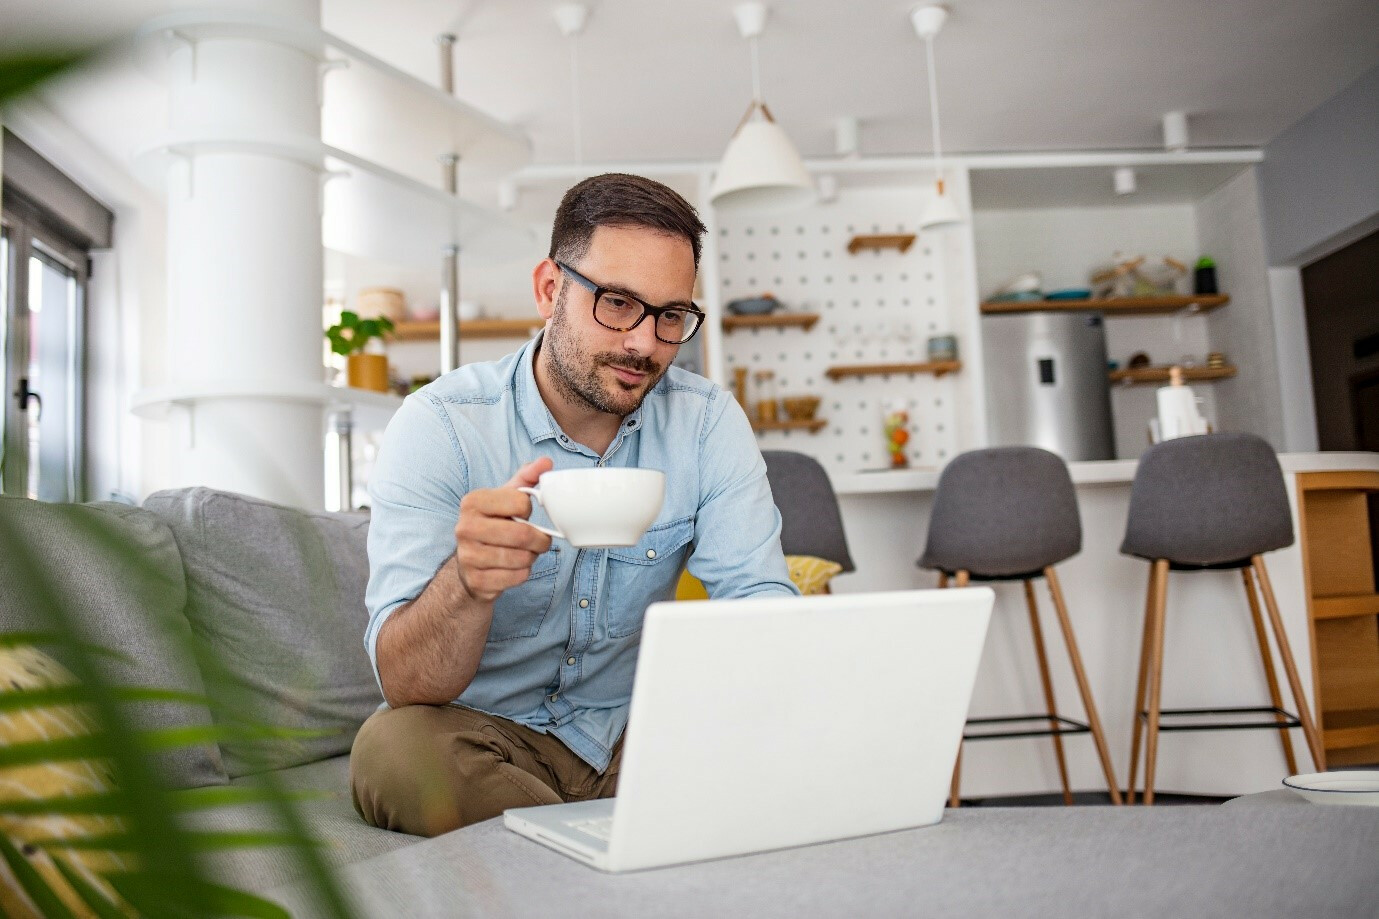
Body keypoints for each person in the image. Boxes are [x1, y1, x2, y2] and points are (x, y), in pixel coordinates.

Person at [351, 173, 798, 836]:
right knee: (393, 752)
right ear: (549, 289)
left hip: (640, 734)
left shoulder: (706, 423)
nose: (644, 343)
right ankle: (617, 845)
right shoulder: (440, 424)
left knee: (786, 745)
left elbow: (759, 605)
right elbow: (406, 683)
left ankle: (569, 851)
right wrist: (467, 584)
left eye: (670, 315)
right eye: (617, 303)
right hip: (488, 737)